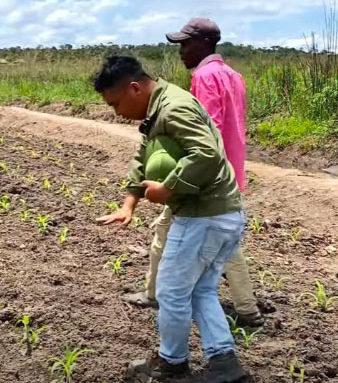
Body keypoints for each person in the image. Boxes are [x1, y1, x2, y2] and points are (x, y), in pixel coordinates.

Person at [94, 56, 248, 383]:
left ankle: (172, 366)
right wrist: (129, 203)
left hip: (202, 218)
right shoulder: (159, 107)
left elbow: (206, 153)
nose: (116, 112)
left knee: (171, 293)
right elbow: (143, 155)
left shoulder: (173, 108)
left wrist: (168, 188)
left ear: (134, 88)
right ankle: (225, 365)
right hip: (221, 214)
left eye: (116, 103)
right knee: (201, 291)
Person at [122, 19, 262, 328]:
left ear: (204, 44)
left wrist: (174, 178)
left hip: (203, 177)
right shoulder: (234, 76)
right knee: (224, 244)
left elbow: (202, 134)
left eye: (186, 45)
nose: (181, 51)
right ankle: (246, 308)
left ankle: (157, 295)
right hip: (229, 172)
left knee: (174, 235)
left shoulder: (204, 77)